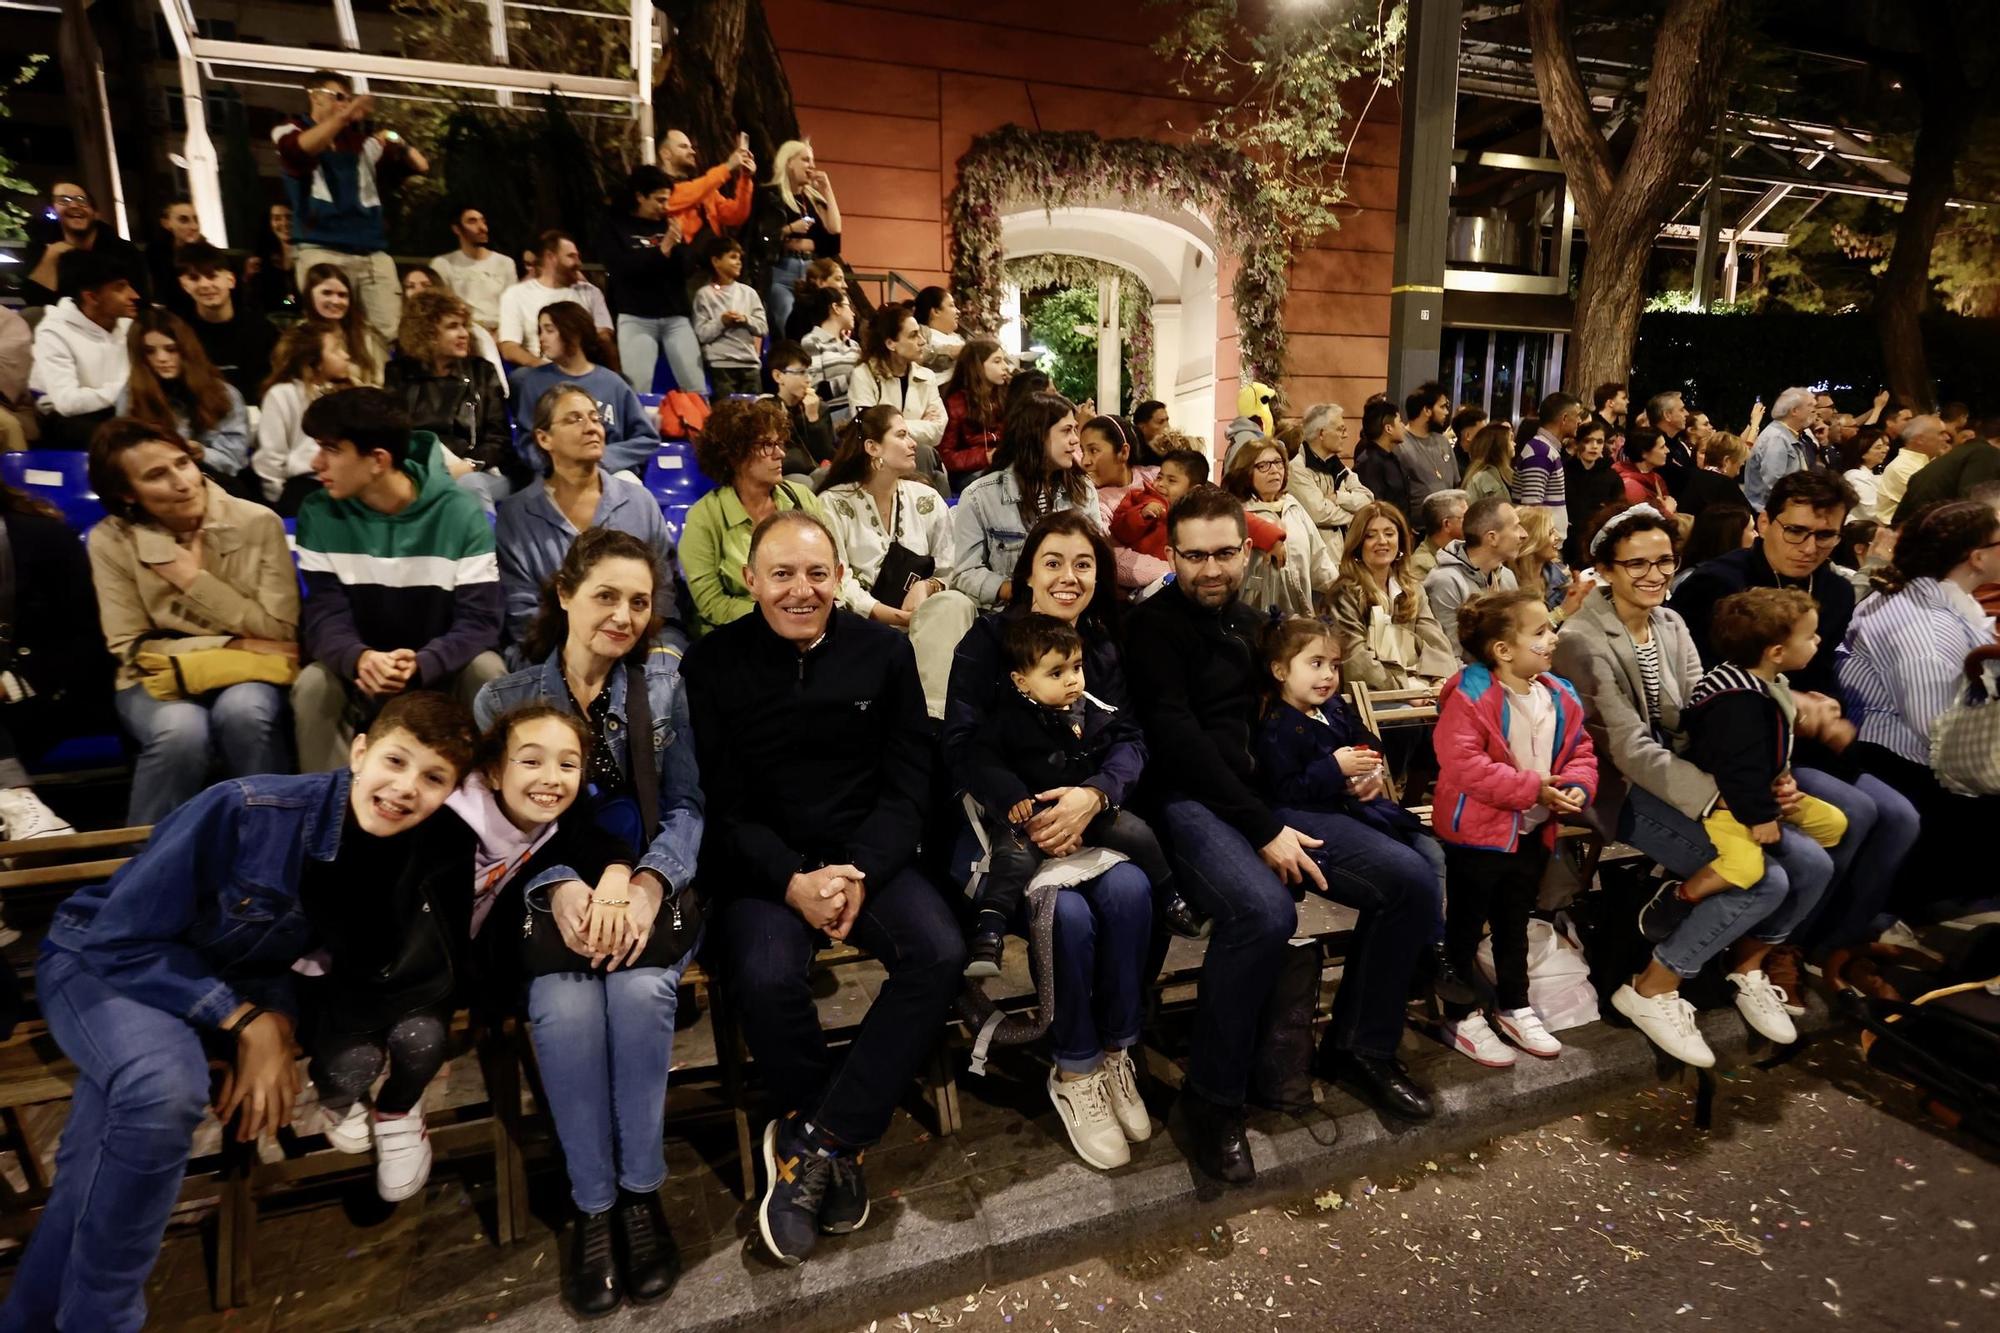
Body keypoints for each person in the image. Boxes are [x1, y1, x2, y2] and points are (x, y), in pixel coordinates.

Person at [0, 691, 474, 1333]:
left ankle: (32, 1319)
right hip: (106, 963)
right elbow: (120, 936)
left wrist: (270, 1017)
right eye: (395, 760)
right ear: (359, 750)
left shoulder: (403, 850)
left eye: (433, 778)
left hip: (211, 988)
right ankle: (104, 1321)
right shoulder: (250, 807)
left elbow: (286, 963)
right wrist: (245, 1021)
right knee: (164, 1091)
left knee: (99, 1155)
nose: (404, 788)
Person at [1125, 487, 1442, 1184]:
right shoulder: (1151, 628)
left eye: (1224, 552)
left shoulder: (1250, 623)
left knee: (1412, 880)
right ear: (1170, 554)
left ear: (1247, 548)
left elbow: (1294, 712)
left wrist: (1353, 771)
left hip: (1263, 799)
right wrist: (1264, 827)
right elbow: (1181, 745)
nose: (1210, 568)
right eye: (1194, 555)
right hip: (1189, 803)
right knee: (1262, 914)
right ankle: (1210, 1101)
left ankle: (1361, 1045)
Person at [681, 511, 964, 1266]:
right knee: (766, 975)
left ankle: (815, 1143)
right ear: (750, 579)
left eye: (816, 573)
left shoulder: (883, 650)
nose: (801, 590)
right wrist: (791, 880)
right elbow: (720, 804)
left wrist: (860, 868)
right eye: (782, 574)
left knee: (938, 951)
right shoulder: (712, 664)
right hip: (764, 866)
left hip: (865, 855)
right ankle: (828, 1142)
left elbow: (910, 782)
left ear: (840, 577)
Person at [472, 529, 707, 1313]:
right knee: (569, 1008)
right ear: (565, 592)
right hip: (550, 902)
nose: (624, 614)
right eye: (606, 594)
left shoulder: (666, 682)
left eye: (639, 601)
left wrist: (645, 882)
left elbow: (686, 806)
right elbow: (494, 826)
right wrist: (561, 882)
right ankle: (594, 1206)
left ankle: (641, 1196)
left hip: (649, 894)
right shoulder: (503, 699)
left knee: (639, 997)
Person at [1551, 505, 1833, 1068]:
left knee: (1814, 865)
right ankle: (1652, 987)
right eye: (1637, 564)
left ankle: (1747, 966)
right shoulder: (1582, 639)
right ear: (1605, 569)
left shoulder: (1671, 623)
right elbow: (1626, 747)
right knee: (1764, 880)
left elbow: (1692, 714)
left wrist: (1752, 777)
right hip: (1618, 788)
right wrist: (1717, 795)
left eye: (1664, 561)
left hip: (1685, 775)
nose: (1655, 575)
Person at [941, 512, 1186, 1157]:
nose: (1068, 577)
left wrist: (1094, 795)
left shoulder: (1101, 649)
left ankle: (1115, 1050)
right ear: (1027, 573)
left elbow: (1129, 738)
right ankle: (1075, 1068)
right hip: (1005, 826)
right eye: (1052, 562)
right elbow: (961, 744)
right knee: (1069, 914)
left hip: (1088, 812)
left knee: (1134, 890)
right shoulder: (988, 643)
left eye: (1083, 564)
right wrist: (1026, 809)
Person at [1668, 470, 1919, 993]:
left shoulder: (1835, 587)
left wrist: (1826, 707)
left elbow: (1825, 670)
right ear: (1763, 522)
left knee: (1903, 816)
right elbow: (1695, 681)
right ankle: (1771, 945)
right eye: (1796, 531)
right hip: (1743, 744)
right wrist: (1790, 701)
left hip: (1805, 741)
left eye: (1825, 535)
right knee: (1857, 813)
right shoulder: (1719, 582)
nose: (1809, 547)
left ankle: (1834, 946)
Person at [1640, 589, 1850, 1045]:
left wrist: (1786, 780)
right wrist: (1760, 817)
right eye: (1811, 637)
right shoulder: (1738, 703)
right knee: (1747, 867)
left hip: (1764, 790)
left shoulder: (1764, 682)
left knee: (1834, 826)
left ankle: (1748, 959)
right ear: (1776, 651)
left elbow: (1771, 752)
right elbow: (1737, 771)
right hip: (1730, 804)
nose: (1818, 643)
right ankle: (1680, 896)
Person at [85, 418, 298, 824]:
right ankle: (144, 866)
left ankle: (267, 854)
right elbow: (128, 644)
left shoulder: (257, 522)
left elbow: (281, 630)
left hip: (249, 673)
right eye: (157, 476)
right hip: (154, 677)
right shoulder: (110, 540)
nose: (182, 481)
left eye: (182, 463)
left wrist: (192, 581)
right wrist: (233, 644)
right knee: (181, 730)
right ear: (128, 493)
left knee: (246, 712)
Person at [290, 389, 506, 772]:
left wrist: (424, 663)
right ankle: (333, 813)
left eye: (331, 450)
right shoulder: (317, 512)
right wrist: (360, 659)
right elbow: (323, 615)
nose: (316, 462)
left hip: (440, 671)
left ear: (377, 460)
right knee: (313, 684)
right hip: (359, 675)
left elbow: (481, 621)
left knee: (487, 669)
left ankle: (486, 805)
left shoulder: (460, 514)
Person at [955, 613, 1179, 983]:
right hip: (1031, 814)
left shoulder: (1092, 709)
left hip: (1086, 811)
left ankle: (1170, 899)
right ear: (1021, 681)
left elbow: (1119, 746)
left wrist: (1096, 791)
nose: (1073, 679)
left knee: (1137, 832)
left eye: (1076, 666)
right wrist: (1010, 794)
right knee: (1012, 859)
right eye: (1056, 673)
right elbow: (980, 760)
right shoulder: (1007, 719)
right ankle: (989, 932)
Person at [1430, 591, 1597, 1066]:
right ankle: (1460, 1013)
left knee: (1515, 920)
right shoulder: (1471, 695)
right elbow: (1464, 765)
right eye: (1540, 631)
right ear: (1503, 650)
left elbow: (1580, 750)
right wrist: (1532, 789)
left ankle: (1514, 1003)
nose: (1553, 637)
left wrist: (1577, 788)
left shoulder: (1557, 693)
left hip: (1532, 831)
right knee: (1464, 924)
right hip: (1476, 836)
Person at [1838, 500, 2000, 912]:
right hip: (1901, 768)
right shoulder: (1924, 629)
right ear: (1977, 558)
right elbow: (1940, 733)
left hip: (1915, 758)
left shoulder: (1932, 599)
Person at [496, 384, 682, 664]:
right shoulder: (517, 514)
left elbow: (664, 590)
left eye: (595, 418)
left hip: (635, 641)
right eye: (574, 419)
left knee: (665, 664)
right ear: (544, 438)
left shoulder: (639, 501)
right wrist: (586, 648)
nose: (591, 427)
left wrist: (624, 636)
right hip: (551, 648)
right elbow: (522, 611)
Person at [813, 406, 975, 710]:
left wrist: (928, 586)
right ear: (872, 447)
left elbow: (953, 565)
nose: (913, 443)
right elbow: (837, 580)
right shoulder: (833, 503)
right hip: (860, 623)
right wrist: (892, 616)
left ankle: (935, 717)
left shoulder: (926, 498)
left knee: (957, 604)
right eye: (901, 435)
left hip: (922, 622)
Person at [273, 71, 428, 345]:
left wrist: (396, 139)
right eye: (339, 97)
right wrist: (346, 115)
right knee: (327, 334)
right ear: (315, 96)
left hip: (371, 252)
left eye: (348, 99)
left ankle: (378, 386)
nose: (346, 105)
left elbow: (420, 165)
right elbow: (299, 150)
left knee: (388, 333)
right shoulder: (290, 129)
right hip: (320, 249)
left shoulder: (363, 143)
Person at [0, 482, 113, 850]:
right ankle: (15, 801)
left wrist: (12, 683)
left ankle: (18, 801)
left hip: (50, 694)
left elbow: (86, 641)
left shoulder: (44, 538)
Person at [679, 396, 847, 636]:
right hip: (738, 635)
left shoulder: (802, 498)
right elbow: (711, 603)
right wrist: (781, 613)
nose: (780, 454)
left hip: (810, 623)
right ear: (734, 453)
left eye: (779, 444)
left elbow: (830, 570)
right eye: (767, 445)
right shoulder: (704, 516)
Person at [951, 390, 1098, 608]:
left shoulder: (1082, 489)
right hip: (1009, 616)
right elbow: (965, 572)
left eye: (1075, 430)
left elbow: (1097, 557)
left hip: (1071, 611)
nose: (1076, 440)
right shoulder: (979, 496)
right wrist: (1017, 590)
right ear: (1037, 435)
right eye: (1067, 431)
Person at [384, 288, 517, 511]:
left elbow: (498, 440)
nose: (464, 333)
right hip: (419, 472)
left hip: (478, 472)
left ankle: (482, 546)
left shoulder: (482, 372)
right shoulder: (398, 374)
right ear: (427, 333)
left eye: (464, 325)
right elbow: (392, 434)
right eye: (452, 327)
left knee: (468, 486)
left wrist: (468, 466)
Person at [507, 302, 661, 478]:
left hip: (611, 475)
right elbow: (527, 441)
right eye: (540, 331)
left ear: (574, 333)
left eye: (549, 330)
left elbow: (647, 438)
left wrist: (603, 458)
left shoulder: (613, 383)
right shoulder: (533, 382)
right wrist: (555, 466)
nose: (542, 338)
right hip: (554, 476)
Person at [115, 308, 252, 492]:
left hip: (215, 483)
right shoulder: (131, 396)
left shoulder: (223, 394)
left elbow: (235, 459)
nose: (161, 358)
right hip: (156, 486)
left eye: (171, 349)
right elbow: (126, 457)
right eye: (149, 351)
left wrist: (203, 453)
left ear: (186, 350)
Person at [598, 165, 705, 397]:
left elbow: (687, 268)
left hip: (675, 316)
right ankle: (642, 432)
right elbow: (623, 269)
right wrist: (662, 249)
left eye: (667, 200)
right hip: (636, 316)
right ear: (640, 197)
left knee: (695, 386)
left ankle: (703, 430)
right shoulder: (615, 226)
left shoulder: (668, 224)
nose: (664, 207)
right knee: (638, 388)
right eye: (659, 200)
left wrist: (678, 248)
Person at [1330, 501, 1457, 692]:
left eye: (1389, 534)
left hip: (1418, 688)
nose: (1382, 541)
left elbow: (1435, 641)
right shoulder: (1343, 594)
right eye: (1370, 536)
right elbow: (1355, 659)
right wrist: (1406, 689)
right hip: (1372, 695)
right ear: (1357, 545)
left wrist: (1438, 680)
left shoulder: (1413, 589)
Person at [28, 248, 139, 448]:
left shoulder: (129, 326)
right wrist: (128, 391)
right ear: (91, 298)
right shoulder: (53, 332)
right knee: (122, 444)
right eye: (120, 287)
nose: (134, 295)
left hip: (122, 410)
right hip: (69, 419)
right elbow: (67, 403)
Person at [1224, 437, 1338, 616]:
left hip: (1298, 616)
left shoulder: (1293, 506)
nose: (1274, 471)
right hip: (1252, 617)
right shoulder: (1236, 512)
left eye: (1278, 463)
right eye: (1263, 465)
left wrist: (1343, 590)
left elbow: (1319, 560)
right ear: (1246, 472)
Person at [253, 321, 353, 513]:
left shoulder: (344, 393)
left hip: (344, 486)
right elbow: (271, 456)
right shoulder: (283, 394)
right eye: (336, 350)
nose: (346, 356)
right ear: (312, 361)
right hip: (304, 488)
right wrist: (278, 497)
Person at [848, 303, 950, 492]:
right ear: (890, 343)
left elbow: (937, 430)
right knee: (924, 452)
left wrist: (894, 430)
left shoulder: (926, 376)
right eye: (913, 335)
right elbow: (866, 428)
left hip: (914, 458)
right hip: (875, 459)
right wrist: (917, 424)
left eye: (920, 334)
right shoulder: (864, 375)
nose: (922, 341)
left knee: (929, 462)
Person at [753, 141, 843, 338]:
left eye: (812, 160)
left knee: (814, 325)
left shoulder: (811, 198)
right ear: (789, 162)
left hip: (810, 271)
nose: (811, 165)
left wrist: (827, 189)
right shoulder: (770, 195)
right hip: (782, 271)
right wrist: (791, 228)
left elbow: (834, 234)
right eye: (805, 160)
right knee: (788, 322)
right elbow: (762, 238)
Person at [173, 242, 279, 404]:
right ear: (184, 285)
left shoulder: (263, 331)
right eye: (194, 278)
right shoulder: (179, 333)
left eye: (212, 276)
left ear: (231, 280)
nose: (204, 284)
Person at [1424, 495, 1527, 657]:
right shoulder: (1445, 581)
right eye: (1516, 527)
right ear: (1492, 537)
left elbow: (1518, 637)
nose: (1524, 534)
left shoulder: (1507, 576)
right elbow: (1450, 654)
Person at [1079, 414, 1171, 595]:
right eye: (1082, 452)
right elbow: (1115, 560)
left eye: (1093, 451)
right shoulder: (1092, 502)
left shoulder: (1156, 477)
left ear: (1123, 452)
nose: (1085, 461)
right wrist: (1175, 570)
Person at [497, 231, 615, 371]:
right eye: (571, 256)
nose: (579, 263)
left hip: (584, 369)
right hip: (539, 370)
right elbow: (509, 348)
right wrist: (543, 366)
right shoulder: (516, 294)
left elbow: (604, 338)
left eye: (578, 257)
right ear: (551, 257)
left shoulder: (590, 292)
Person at [21, 179, 147, 307]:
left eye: (81, 200)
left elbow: (138, 301)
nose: (74, 205)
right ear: (53, 210)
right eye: (64, 200)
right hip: (59, 322)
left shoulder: (123, 251)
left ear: (96, 214)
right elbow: (34, 302)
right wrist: (52, 255)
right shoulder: (41, 247)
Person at [1288, 401, 1373, 559]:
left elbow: (1368, 499)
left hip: (1344, 557)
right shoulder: (1298, 469)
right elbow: (1320, 513)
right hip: (1318, 561)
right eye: (1341, 429)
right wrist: (1357, 517)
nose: (1345, 435)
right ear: (1321, 433)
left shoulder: (1339, 467)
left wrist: (1337, 497)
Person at [692, 233, 767, 397]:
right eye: (733, 257)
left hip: (749, 364)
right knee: (726, 416)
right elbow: (702, 334)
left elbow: (763, 328)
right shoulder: (704, 295)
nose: (739, 261)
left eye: (740, 257)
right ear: (716, 261)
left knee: (754, 416)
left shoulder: (749, 293)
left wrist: (746, 320)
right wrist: (722, 322)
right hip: (721, 366)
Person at [657, 125, 756, 247]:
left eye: (691, 147)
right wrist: (728, 167)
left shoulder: (704, 188)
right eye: (683, 147)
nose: (692, 152)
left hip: (711, 259)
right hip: (680, 259)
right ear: (665, 154)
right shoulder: (658, 189)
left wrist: (745, 178)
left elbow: (735, 215)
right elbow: (689, 193)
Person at [1894, 414, 2000, 521]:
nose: (1948, 438)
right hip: (1923, 528)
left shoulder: (1970, 451)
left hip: (1925, 524)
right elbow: (1974, 506)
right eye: (1941, 433)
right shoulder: (1985, 453)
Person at [939, 335, 1011, 493]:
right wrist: (986, 457)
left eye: (1004, 361)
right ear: (977, 366)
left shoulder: (1006, 396)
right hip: (970, 473)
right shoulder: (955, 403)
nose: (1006, 367)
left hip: (1003, 465)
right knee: (996, 485)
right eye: (997, 361)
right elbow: (946, 456)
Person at [430, 205, 515, 335]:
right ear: (457, 229)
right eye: (472, 221)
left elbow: (512, 308)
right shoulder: (443, 264)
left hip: (501, 334)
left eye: (483, 221)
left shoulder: (505, 263)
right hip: (464, 333)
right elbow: (441, 308)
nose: (482, 228)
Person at [302, 261, 386, 386]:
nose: (336, 301)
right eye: (327, 293)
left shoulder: (365, 333)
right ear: (310, 295)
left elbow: (380, 379)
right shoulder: (300, 337)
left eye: (342, 295)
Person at [766, 339, 836, 477]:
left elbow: (826, 456)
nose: (808, 379)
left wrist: (814, 420)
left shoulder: (819, 408)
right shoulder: (768, 410)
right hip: (787, 477)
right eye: (801, 372)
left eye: (809, 372)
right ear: (778, 376)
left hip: (819, 474)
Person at [1514, 392, 1577, 543]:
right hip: (1542, 545)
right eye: (1577, 416)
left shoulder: (1546, 450)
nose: (1579, 421)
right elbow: (1532, 509)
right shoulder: (1540, 453)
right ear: (1564, 419)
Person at [1512, 507, 1588, 625]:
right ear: (1533, 539)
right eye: (1551, 532)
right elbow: (1524, 636)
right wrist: (1561, 613)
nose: (1557, 536)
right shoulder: (1506, 582)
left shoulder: (1560, 572)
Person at [797, 282, 861, 421]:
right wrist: (856, 376)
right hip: (833, 415)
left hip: (859, 410)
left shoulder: (854, 345)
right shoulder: (812, 341)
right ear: (836, 308)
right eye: (849, 306)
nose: (853, 313)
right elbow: (816, 390)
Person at [1745, 387, 1816, 511]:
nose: (1814, 409)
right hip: (1771, 513)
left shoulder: (1789, 435)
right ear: (1794, 411)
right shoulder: (1776, 438)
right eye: (1810, 405)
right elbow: (1776, 486)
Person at [1563, 418, 1622, 562]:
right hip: (1568, 541)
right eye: (1588, 441)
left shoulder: (1611, 477)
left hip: (1599, 541)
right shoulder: (1564, 472)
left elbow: (1619, 510)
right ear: (1577, 443)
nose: (1594, 446)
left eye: (1599, 441)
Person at [1879, 414, 1956, 523]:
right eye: (1941, 433)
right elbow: (1936, 504)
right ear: (1920, 439)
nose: (1947, 438)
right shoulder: (1901, 467)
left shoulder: (1931, 462)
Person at [1669, 503, 1756, 592]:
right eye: (1752, 529)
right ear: (1732, 536)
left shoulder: (1744, 573)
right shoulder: (1693, 580)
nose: (1757, 535)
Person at [1398, 381, 1459, 507]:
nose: (1446, 412)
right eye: (1442, 407)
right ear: (1426, 410)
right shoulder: (1400, 444)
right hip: (1417, 524)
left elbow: (1456, 482)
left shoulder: (1442, 441)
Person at [1677, 430, 1751, 516]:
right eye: (1739, 466)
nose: (1738, 473)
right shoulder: (1725, 485)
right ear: (1726, 461)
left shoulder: (1691, 477)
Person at [249, 201, 300, 315]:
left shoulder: (310, 253)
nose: (284, 223)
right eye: (277, 218)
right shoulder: (263, 256)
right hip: (272, 317)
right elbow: (261, 299)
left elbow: (297, 299)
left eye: (289, 217)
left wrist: (288, 301)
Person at [782, 257, 848, 343]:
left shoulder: (841, 311)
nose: (845, 285)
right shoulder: (802, 315)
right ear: (820, 282)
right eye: (838, 279)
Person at [1410, 488, 1468, 582]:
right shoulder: (1421, 566)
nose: (1471, 522)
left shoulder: (1465, 553)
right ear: (1446, 524)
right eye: (1465, 517)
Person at [1614, 428, 1677, 513]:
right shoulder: (1629, 485)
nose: (1667, 451)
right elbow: (1642, 521)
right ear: (1644, 453)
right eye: (1662, 447)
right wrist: (1668, 510)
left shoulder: (1656, 478)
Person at [1461, 421, 1516, 507]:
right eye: (1511, 440)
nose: (1514, 444)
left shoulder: (1509, 474)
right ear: (1499, 444)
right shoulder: (1479, 478)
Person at [1840, 430, 1891, 522]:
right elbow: (1870, 511)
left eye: (1886, 446)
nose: (1885, 450)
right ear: (1863, 453)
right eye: (1878, 448)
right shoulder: (1855, 476)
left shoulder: (1872, 474)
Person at [913, 286, 963, 374]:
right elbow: (920, 355)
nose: (958, 311)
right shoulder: (921, 333)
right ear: (936, 311)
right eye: (951, 305)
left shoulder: (957, 337)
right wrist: (952, 352)